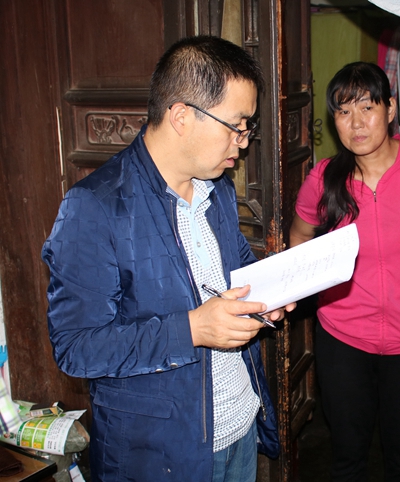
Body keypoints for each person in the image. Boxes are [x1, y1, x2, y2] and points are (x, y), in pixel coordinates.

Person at [42, 36, 295, 482]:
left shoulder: (216, 188)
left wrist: (269, 293)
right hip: (161, 454)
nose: (242, 142)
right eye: (236, 126)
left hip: (239, 423)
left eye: (247, 128)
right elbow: (76, 347)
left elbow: (236, 269)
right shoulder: (95, 206)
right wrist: (192, 329)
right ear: (181, 116)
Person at [290, 62, 400, 481]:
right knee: (347, 459)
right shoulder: (324, 178)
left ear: (390, 109)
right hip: (343, 339)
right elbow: (299, 235)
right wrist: (305, 286)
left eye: (367, 107)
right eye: (343, 111)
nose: (356, 123)